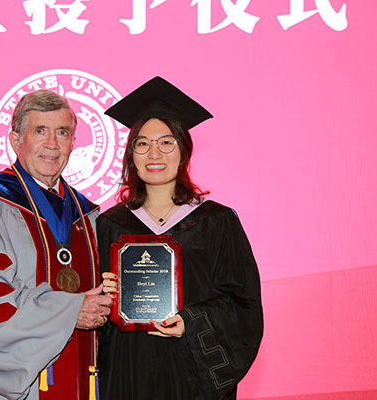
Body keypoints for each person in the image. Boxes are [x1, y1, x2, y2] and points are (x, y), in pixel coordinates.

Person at [97, 77, 264, 399]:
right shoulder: (109, 225)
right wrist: (105, 293)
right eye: (142, 144)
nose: (154, 153)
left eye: (166, 142)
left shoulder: (216, 222)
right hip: (127, 368)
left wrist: (191, 321)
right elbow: (92, 313)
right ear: (131, 154)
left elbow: (243, 304)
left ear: (184, 150)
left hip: (191, 373)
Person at [0, 90, 113, 400]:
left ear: (72, 143)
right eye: (40, 131)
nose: (52, 143)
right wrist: (69, 312)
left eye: (62, 132)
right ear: (15, 140)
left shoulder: (87, 214)